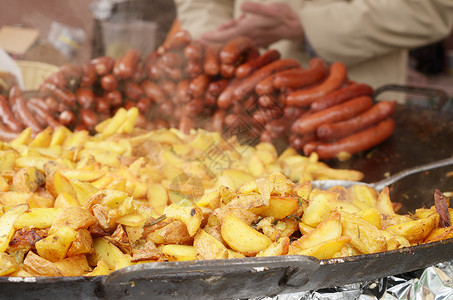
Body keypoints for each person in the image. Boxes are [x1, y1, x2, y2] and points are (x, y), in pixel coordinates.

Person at [173, 0, 453, 91]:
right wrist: (211, 33)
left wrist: (307, 27)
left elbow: (432, 8)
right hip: (240, 90)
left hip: (354, 99)